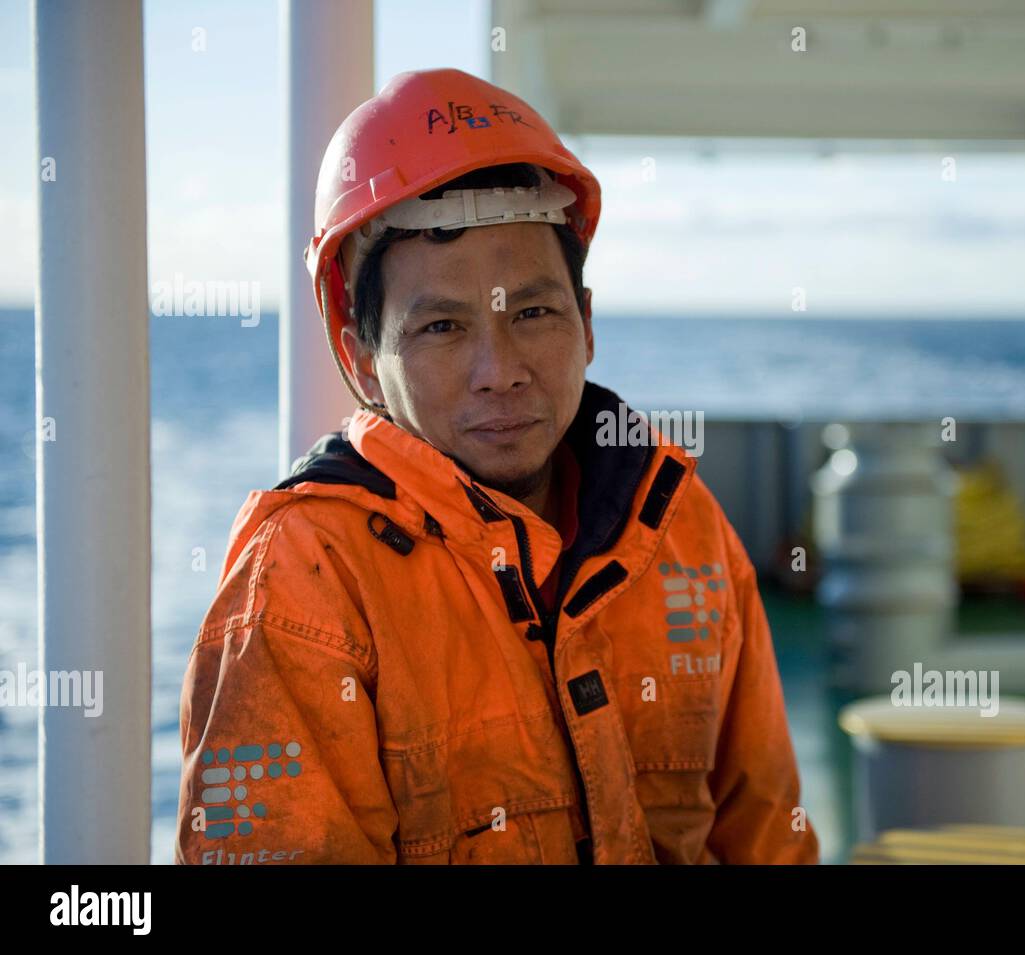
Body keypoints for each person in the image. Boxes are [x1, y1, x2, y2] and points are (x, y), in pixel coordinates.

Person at [174, 68, 818, 865]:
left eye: (535, 313)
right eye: (443, 326)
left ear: (586, 324)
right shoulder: (304, 587)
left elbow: (768, 838)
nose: (499, 368)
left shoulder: (683, 530)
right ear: (362, 359)